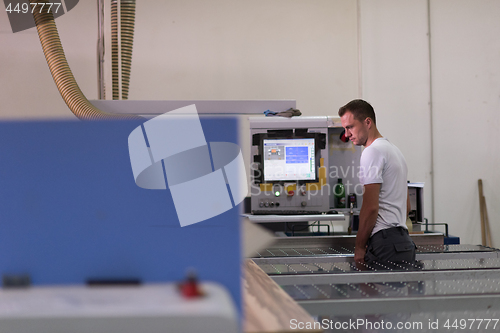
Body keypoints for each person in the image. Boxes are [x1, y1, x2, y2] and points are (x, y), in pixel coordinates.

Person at [338, 99, 416, 268]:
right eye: (344, 128)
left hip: (384, 243)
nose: (347, 134)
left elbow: (371, 207)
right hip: (403, 243)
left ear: (367, 122)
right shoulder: (394, 151)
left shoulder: (371, 152)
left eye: (350, 127)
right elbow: (407, 206)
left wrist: (359, 246)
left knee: (372, 292)